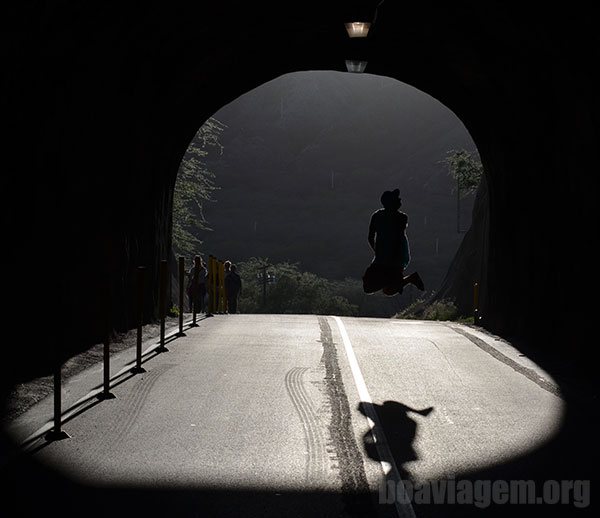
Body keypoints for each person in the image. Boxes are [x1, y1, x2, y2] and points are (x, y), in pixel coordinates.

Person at [362, 189, 425, 296]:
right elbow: (372, 237)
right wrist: (378, 252)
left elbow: (396, 238)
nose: (400, 199)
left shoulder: (392, 217)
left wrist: (379, 252)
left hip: (395, 256)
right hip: (387, 257)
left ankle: (407, 279)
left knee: (386, 289)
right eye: (396, 198)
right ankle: (408, 279)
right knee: (380, 288)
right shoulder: (398, 217)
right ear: (390, 202)